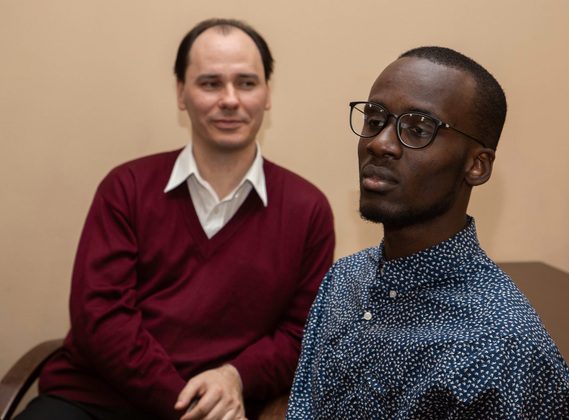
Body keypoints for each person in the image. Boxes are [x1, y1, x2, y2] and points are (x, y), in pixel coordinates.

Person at [16, 18, 335, 420]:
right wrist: (186, 406)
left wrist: (234, 377)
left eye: (246, 83)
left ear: (267, 94)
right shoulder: (126, 188)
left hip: (226, 407)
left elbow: (301, 333)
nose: (230, 99)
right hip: (97, 401)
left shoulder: (308, 210)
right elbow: (101, 319)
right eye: (210, 83)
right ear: (181, 93)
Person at [286, 47, 569, 419]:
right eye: (375, 119)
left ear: (477, 165)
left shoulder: (501, 346)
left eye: (418, 129)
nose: (380, 143)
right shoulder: (345, 279)